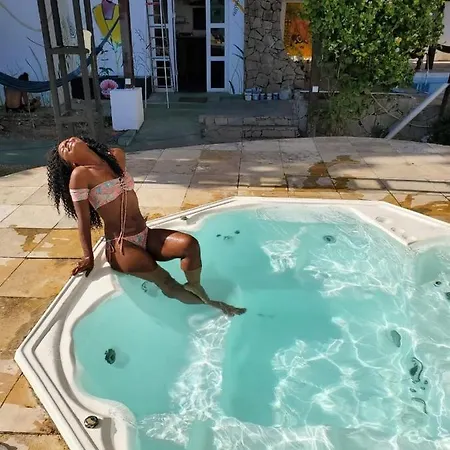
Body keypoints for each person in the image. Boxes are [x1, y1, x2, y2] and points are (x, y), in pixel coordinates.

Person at [47, 136, 245, 316]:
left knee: (189, 245)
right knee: (166, 281)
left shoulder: (116, 156)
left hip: (145, 233)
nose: (66, 143)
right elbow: (83, 220)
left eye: (68, 140)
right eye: (63, 149)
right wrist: (88, 257)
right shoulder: (80, 175)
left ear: (85, 142)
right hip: (121, 245)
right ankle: (214, 306)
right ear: (72, 163)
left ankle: (195, 285)